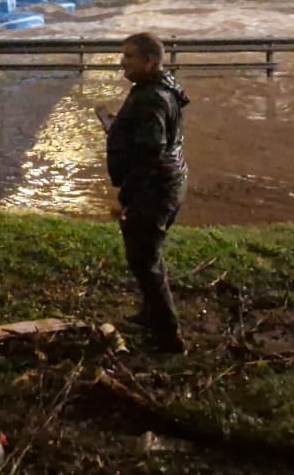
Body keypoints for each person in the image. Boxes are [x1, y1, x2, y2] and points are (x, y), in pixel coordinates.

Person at [102, 32, 189, 354]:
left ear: (149, 62)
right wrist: (120, 125)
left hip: (155, 190)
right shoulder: (161, 88)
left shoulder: (151, 98)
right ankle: (151, 313)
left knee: (143, 259)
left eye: (128, 57)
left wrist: (126, 199)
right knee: (147, 255)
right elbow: (153, 136)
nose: (122, 63)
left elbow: (150, 153)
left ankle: (169, 336)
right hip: (170, 182)